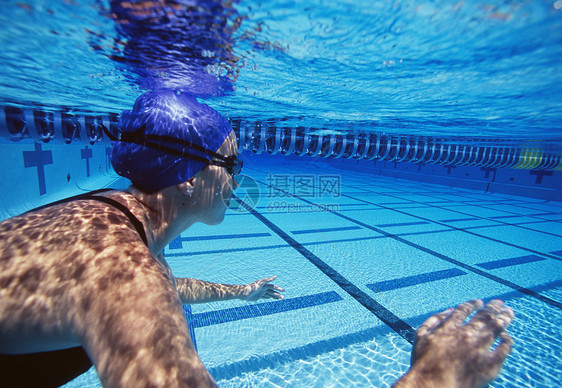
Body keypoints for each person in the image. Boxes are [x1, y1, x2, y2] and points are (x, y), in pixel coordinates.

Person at [0, 90, 514, 387]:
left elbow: (158, 289)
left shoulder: (101, 219)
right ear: (189, 176)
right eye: (232, 164)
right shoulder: (124, 272)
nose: (239, 179)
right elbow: (136, 293)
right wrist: (433, 379)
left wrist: (241, 292)